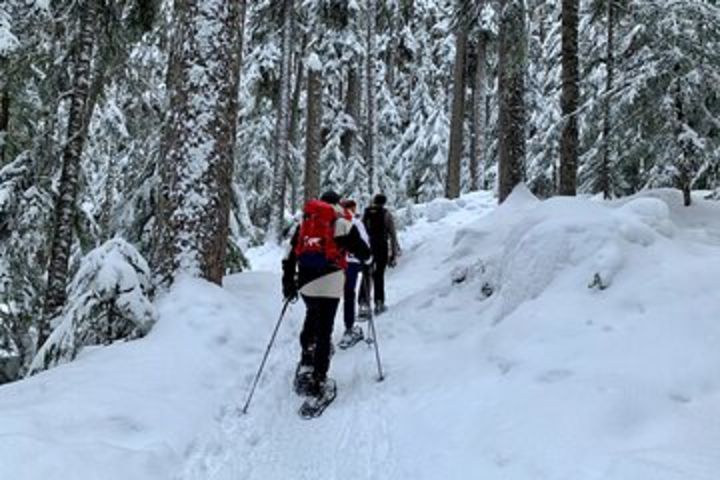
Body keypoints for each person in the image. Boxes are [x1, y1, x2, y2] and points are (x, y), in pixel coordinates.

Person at [282, 190, 371, 400]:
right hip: (330, 282)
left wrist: (288, 283)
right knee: (325, 329)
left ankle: (306, 358)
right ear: (337, 204)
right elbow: (363, 252)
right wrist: (366, 261)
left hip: (305, 282)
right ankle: (319, 377)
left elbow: (289, 255)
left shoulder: (304, 223)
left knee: (312, 314)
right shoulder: (340, 222)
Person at [359, 193, 401, 315]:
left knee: (366, 274)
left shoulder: (366, 213)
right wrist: (393, 253)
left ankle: (363, 303)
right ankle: (379, 302)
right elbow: (392, 234)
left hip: (367, 247)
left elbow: (361, 231)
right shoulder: (386, 214)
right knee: (379, 275)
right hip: (381, 247)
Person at [338, 199, 371, 349]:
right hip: (353, 262)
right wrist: (367, 258)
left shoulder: (336, 221)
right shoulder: (355, 223)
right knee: (349, 293)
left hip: (337, 263)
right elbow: (365, 243)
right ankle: (349, 327)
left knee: (337, 296)